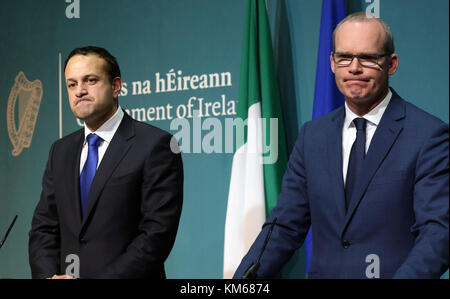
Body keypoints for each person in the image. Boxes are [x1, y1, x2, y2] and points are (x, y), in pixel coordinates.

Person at [234, 12, 449, 279]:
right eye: (344, 57)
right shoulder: (313, 136)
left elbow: (438, 231)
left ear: (391, 64)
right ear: (332, 63)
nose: (354, 67)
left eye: (368, 58)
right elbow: (284, 227)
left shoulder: (428, 135)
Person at [29, 46, 184, 279]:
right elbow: (44, 228)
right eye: (71, 84)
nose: (79, 91)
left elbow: (156, 235)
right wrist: (49, 276)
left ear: (116, 86)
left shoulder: (155, 145)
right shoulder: (60, 151)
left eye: (90, 80)